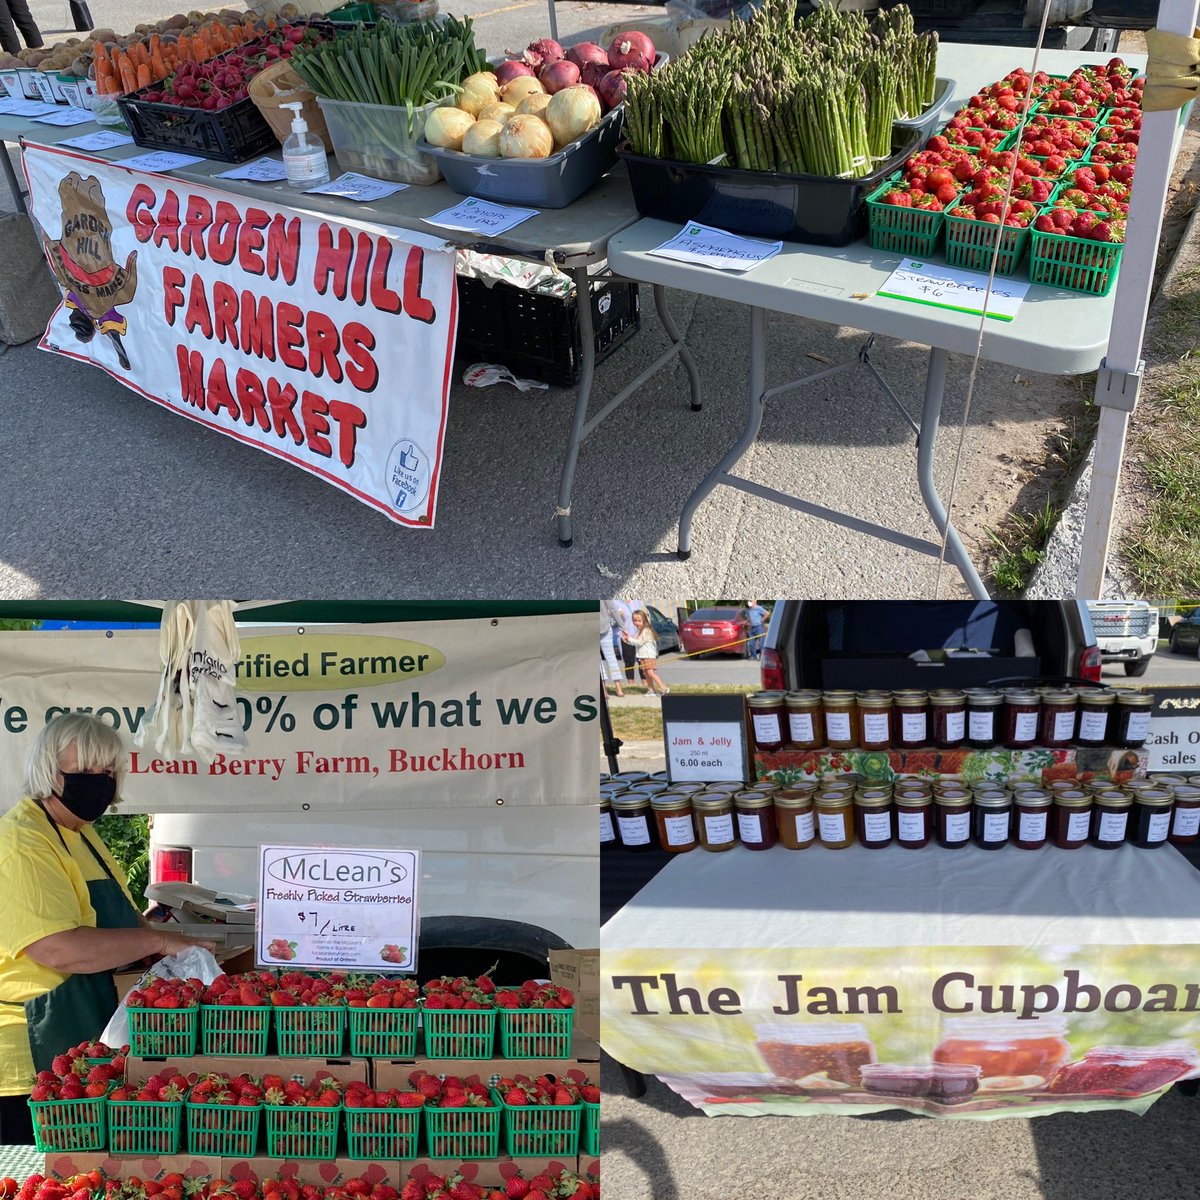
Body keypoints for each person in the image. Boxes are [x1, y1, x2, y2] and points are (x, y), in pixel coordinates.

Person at [0, 714, 214, 1144]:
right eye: (81, 772)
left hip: (81, 1044)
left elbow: (120, 919)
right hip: (28, 1061)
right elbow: (59, 948)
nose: (97, 782)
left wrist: (164, 944)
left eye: (107, 772)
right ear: (48, 771)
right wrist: (159, 941)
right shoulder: (23, 842)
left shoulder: (82, 833)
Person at [625, 609, 668, 698]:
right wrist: (627, 640)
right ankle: (651, 690)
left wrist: (629, 639)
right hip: (642, 656)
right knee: (646, 673)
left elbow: (639, 642)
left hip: (648, 655)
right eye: (635, 621)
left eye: (639, 621)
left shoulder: (646, 630)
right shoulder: (640, 631)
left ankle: (663, 687)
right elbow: (636, 642)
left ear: (644, 620)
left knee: (650, 672)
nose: (636, 623)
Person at [599, 600, 624, 698]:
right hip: (604, 624)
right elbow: (612, 608)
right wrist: (621, 625)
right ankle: (618, 687)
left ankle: (604, 690)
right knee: (611, 657)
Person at [609, 598, 638, 683]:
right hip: (625, 637)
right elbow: (609, 621)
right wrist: (616, 617)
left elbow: (646, 616)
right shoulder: (613, 602)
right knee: (629, 662)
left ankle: (646, 685)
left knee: (642, 661)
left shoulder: (638, 601)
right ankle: (632, 685)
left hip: (640, 635)